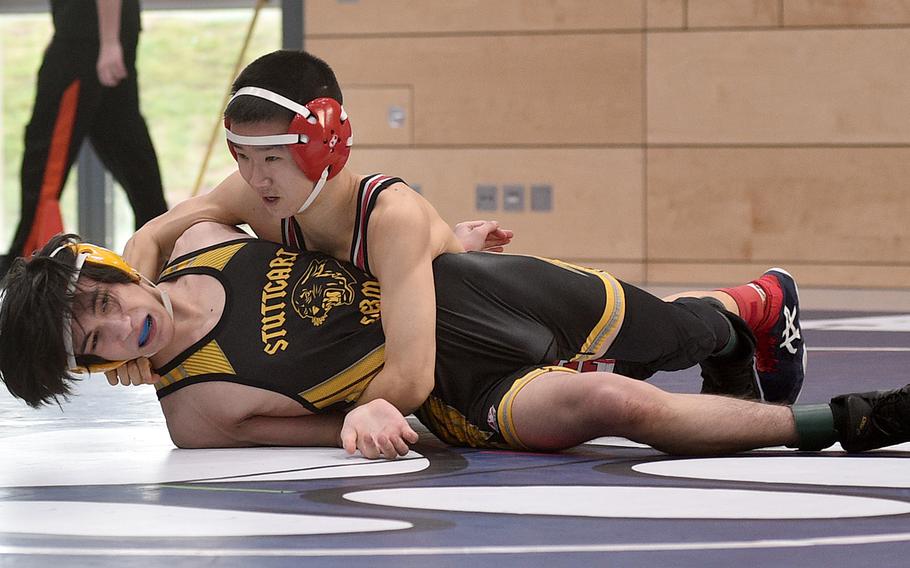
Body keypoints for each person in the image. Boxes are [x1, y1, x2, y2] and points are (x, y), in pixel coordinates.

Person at [1, 223, 901, 460]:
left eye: (98, 303)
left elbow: (353, 219)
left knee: (673, 333)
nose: (119, 327)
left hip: (463, 293)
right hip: (451, 393)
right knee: (614, 400)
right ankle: (843, 422)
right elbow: (362, 428)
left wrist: (434, 236)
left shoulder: (206, 237)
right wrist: (365, 428)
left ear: (104, 265)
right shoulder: (197, 411)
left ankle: (747, 308)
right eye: (92, 344)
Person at [0, 0, 168, 280]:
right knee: (125, 144)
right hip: (91, 35)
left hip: (89, 40)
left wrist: (109, 42)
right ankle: (164, 246)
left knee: (47, 150)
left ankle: (26, 262)